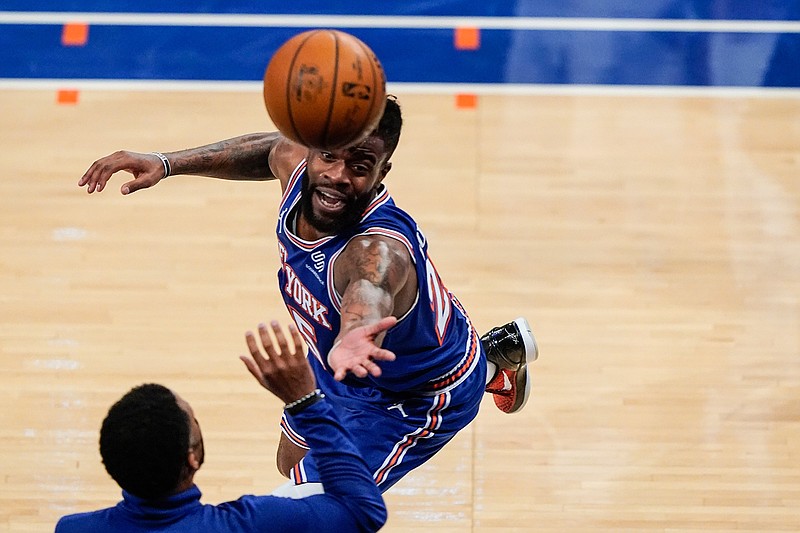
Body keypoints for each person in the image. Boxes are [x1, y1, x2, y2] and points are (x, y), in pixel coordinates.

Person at [78, 95, 538, 494]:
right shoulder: (304, 171)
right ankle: (494, 360)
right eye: (329, 157)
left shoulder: (375, 249)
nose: (338, 176)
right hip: (339, 357)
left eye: (360, 167)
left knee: (323, 501)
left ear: (382, 172)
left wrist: (356, 333)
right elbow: (273, 150)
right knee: (290, 460)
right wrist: (167, 163)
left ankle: (481, 372)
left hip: (413, 394)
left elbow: (370, 287)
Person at [56, 319, 390, 533]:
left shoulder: (72, 529)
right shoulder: (256, 523)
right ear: (192, 459)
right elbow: (363, 510)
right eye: (195, 422)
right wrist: (305, 402)